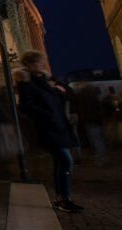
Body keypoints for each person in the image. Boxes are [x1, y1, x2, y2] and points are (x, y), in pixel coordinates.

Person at [16, 51, 83, 213]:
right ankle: (63, 198)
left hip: (58, 126)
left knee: (60, 162)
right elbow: (26, 106)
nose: (42, 64)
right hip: (49, 128)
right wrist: (48, 117)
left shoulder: (44, 81)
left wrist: (58, 91)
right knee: (66, 161)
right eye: (38, 62)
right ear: (29, 65)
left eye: (41, 62)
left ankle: (62, 198)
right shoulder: (26, 83)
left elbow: (55, 100)